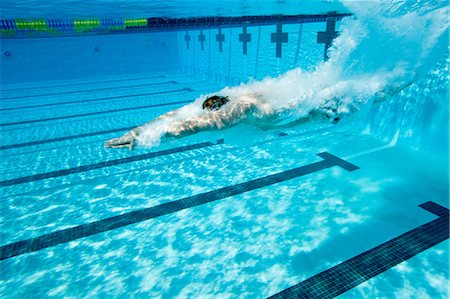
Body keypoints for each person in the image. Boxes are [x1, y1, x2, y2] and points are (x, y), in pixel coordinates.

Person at [104, 94, 270, 150]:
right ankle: (131, 136)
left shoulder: (229, 116)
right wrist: (138, 136)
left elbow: (191, 127)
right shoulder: (235, 104)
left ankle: (132, 137)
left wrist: (140, 140)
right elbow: (174, 119)